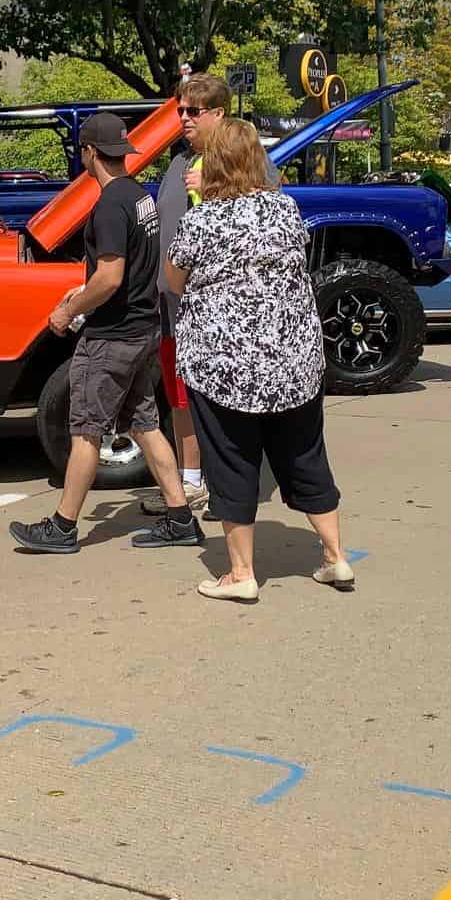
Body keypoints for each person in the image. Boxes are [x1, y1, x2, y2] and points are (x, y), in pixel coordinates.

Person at [166, 119, 352, 602]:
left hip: (222, 365)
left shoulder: (202, 220)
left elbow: (173, 279)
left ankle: (241, 573)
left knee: (231, 460)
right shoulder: (286, 209)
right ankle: (335, 556)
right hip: (294, 360)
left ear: (213, 163)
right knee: (306, 454)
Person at [10, 112, 195, 554]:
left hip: (112, 337)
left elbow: (110, 278)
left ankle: (62, 527)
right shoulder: (140, 197)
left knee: (86, 430)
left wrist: (68, 310)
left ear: (89, 152)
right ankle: (181, 518)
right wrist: (87, 289)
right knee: (145, 425)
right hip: (143, 327)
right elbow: (131, 270)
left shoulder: (110, 205)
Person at [144, 76, 228, 519]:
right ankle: (190, 481)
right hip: (172, 308)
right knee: (179, 397)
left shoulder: (242, 162)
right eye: (180, 110)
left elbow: (258, 214)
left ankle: (225, 484)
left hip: (216, 312)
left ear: (218, 114)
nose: (183, 118)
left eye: (193, 111)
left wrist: (215, 185)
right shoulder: (178, 162)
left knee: (216, 398)